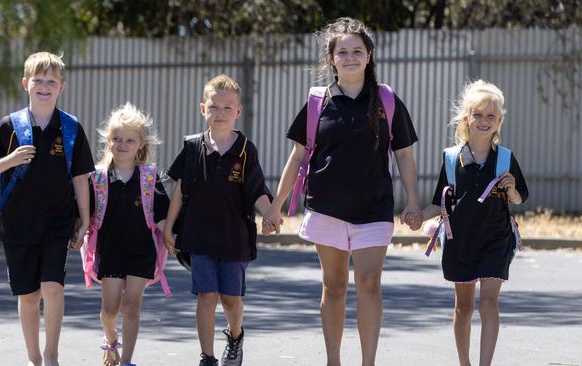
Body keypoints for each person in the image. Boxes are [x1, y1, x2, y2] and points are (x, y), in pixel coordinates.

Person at [263, 17, 421, 366]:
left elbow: (405, 154)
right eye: (343, 52)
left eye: (357, 51)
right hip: (326, 208)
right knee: (333, 286)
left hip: (375, 209)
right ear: (332, 58)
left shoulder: (386, 100)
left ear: (369, 56)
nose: (350, 57)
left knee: (369, 284)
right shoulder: (318, 102)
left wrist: (413, 200)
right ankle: (333, 361)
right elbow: (298, 156)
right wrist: (275, 206)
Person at [0, 51, 95, 366]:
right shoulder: (10, 126)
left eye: (51, 81)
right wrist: (11, 159)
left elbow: (81, 177)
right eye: (38, 80)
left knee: (52, 288)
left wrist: (84, 221)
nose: (44, 86)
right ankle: (34, 359)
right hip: (17, 224)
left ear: (62, 87)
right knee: (29, 296)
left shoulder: (70, 129)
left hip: (58, 223)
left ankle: (52, 356)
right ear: (25, 83)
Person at [163, 74, 272, 366]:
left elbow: (256, 190)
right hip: (199, 235)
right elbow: (179, 189)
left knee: (230, 299)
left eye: (228, 108)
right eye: (214, 107)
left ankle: (235, 337)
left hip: (235, 237)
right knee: (206, 296)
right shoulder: (192, 147)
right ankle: (207, 356)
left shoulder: (246, 150)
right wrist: (168, 227)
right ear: (203, 109)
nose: (220, 113)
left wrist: (270, 213)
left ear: (238, 111)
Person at [420, 80, 528, 366]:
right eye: (477, 114)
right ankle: (464, 362)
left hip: (496, 240)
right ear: (467, 117)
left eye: (490, 116)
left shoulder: (505, 159)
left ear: (499, 121)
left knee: (489, 303)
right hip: (461, 242)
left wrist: (512, 188)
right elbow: (439, 202)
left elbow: (519, 198)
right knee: (464, 307)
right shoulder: (451, 158)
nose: (483, 121)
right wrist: (419, 215)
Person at [81, 103, 171, 366]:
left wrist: (170, 236)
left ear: (140, 145)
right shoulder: (97, 178)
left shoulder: (149, 178)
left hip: (141, 251)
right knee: (109, 310)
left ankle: (127, 361)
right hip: (110, 251)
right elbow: (84, 212)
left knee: (132, 306)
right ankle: (111, 341)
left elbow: (161, 213)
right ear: (108, 141)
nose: (122, 144)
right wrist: (77, 230)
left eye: (130, 140)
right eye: (117, 138)